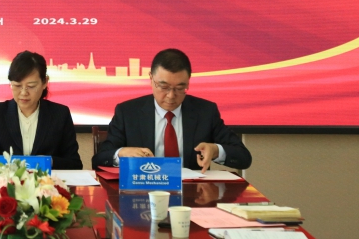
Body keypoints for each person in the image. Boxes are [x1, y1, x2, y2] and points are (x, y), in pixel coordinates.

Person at [92, 48, 251, 172]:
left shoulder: (205, 112)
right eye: (164, 87)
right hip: (142, 192)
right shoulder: (128, 112)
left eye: (180, 88)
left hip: (191, 195)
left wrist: (215, 150)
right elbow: (99, 160)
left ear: (188, 81)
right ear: (151, 79)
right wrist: (122, 154)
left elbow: (244, 158)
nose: (171, 95)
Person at [0, 51, 82, 169]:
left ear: (45, 82)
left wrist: (49, 162)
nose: (23, 92)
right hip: (4, 183)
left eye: (31, 86)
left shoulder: (60, 114)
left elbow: (75, 164)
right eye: (17, 85)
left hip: (47, 182)